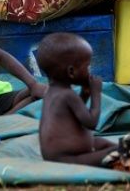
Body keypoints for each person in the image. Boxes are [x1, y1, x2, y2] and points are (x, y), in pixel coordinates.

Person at [37, 33, 117, 166]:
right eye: (87, 67)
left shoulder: (51, 92)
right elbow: (90, 122)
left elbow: (73, 115)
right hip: (69, 159)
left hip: (59, 155)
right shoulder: (68, 95)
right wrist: (96, 93)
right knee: (118, 150)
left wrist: (85, 94)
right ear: (71, 72)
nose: (90, 71)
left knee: (101, 143)